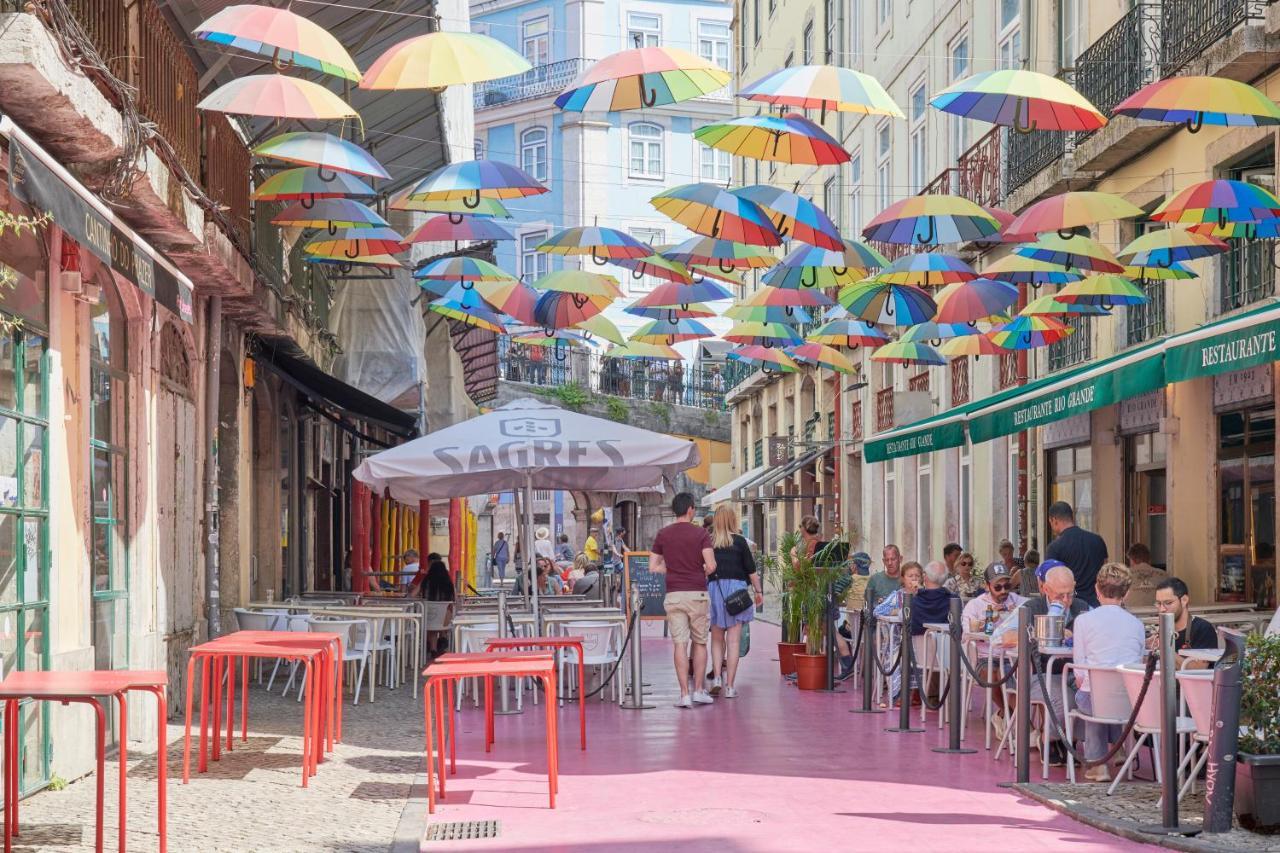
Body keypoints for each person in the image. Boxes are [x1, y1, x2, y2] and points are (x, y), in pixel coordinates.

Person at [999, 564, 1091, 765]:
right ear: (1045, 589)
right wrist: (1043, 633)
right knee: (1066, 698)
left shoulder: (1082, 607)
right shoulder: (1031, 608)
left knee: (1091, 695)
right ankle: (1049, 738)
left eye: (1070, 593)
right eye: (1060, 596)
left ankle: (1063, 739)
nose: (1066, 601)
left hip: (1074, 674)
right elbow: (1001, 637)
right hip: (1037, 675)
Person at [1073, 563, 1147, 782]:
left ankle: (1098, 763)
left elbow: (1078, 669)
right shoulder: (1137, 624)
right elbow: (1139, 663)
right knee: (1104, 696)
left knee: (1087, 695)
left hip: (1097, 698)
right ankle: (1117, 747)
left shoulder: (1083, 621)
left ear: (1097, 589)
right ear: (1127, 593)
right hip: (1130, 700)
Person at [651, 492, 717, 708]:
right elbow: (712, 566)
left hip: (674, 595)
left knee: (680, 643)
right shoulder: (701, 534)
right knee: (699, 642)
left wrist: (671, 569)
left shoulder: (663, 534)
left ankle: (684, 694)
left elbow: (653, 566)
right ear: (690, 509)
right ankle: (698, 689)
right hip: (697, 593)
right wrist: (699, 572)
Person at [707, 505, 763, 698]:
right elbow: (751, 570)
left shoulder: (709, 541)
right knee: (733, 642)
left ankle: (716, 677)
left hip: (715, 590)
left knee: (716, 639)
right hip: (737, 593)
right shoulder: (740, 542)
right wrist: (758, 591)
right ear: (732, 520)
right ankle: (730, 687)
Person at [873, 562, 924, 704]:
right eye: (910, 576)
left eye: (917, 576)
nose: (914, 579)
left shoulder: (924, 596)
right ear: (903, 579)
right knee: (896, 656)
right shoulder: (897, 596)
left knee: (924, 654)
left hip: (918, 639)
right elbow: (877, 611)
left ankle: (918, 693)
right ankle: (898, 693)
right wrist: (894, 611)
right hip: (896, 641)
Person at [1044, 501, 1108, 607]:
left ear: (1054, 520)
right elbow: (1105, 572)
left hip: (1070, 606)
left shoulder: (1055, 547)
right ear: (1072, 517)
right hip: (1096, 603)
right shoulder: (1097, 540)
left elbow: (1050, 580)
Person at [1151, 576, 1218, 657]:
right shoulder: (1162, 629)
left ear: (1184, 600)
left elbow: (1197, 667)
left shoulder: (1203, 629)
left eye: (1168, 603)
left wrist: (1164, 648)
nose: (1162, 609)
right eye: (1158, 603)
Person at [962, 563, 1027, 635]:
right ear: (987, 586)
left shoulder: (1015, 599)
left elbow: (1036, 608)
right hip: (986, 645)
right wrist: (989, 620)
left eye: (1007, 586)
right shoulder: (974, 605)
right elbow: (968, 635)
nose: (1003, 591)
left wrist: (1018, 613)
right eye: (997, 587)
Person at [1124, 543, 1168, 609]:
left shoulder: (1124, 574)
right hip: (1156, 615)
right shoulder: (1164, 575)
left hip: (1132, 615)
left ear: (1132, 560)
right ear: (1149, 559)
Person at [865, 544, 903, 610]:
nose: (890, 563)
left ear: (900, 559)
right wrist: (878, 603)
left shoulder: (907, 580)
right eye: (887, 560)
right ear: (883, 561)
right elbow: (867, 604)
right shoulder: (875, 579)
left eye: (893, 559)